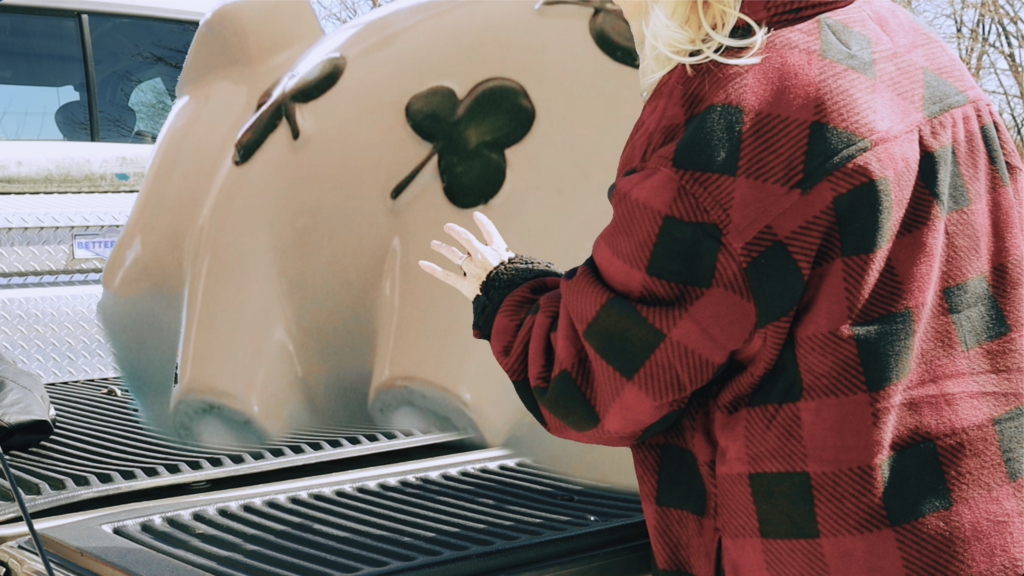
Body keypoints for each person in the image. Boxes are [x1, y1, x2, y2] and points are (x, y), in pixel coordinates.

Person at [419, 0, 1024, 574]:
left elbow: (606, 378)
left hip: (823, 547)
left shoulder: (734, 107)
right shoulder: (922, 53)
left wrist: (505, 290)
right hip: (991, 529)